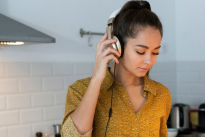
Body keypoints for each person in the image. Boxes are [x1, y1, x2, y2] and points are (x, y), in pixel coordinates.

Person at [61, 1, 171, 136]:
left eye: (155, 53)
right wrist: (96, 80)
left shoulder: (161, 94)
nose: (149, 61)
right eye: (141, 52)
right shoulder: (79, 90)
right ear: (117, 46)